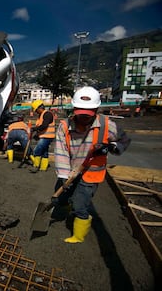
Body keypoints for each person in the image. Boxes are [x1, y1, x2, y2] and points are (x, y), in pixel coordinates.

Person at [54, 86, 131, 243]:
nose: (84, 117)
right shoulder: (64, 126)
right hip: (72, 169)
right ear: (74, 108)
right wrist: (63, 175)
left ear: (96, 109)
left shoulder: (107, 125)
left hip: (92, 173)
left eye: (88, 114)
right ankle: (66, 207)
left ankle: (78, 235)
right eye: (80, 113)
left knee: (80, 204)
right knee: (62, 193)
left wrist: (112, 147)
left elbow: (124, 140)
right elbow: (60, 151)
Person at [29, 100, 55, 172]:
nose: (36, 112)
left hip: (47, 136)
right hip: (44, 136)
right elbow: (41, 127)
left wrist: (34, 129)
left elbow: (44, 125)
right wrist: (37, 134)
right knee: (44, 152)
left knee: (37, 150)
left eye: (36, 110)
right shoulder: (42, 115)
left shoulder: (47, 114)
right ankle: (43, 168)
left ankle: (36, 166)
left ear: (39, 108)